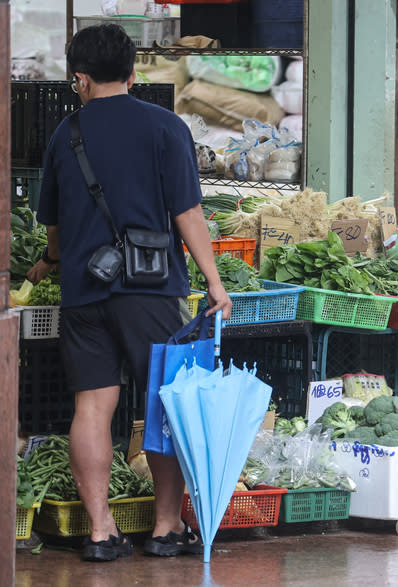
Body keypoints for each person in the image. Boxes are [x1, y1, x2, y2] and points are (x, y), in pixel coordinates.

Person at [26, 24, 232, 562]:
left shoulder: (64, 134)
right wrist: (213, 280)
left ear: (80, 79)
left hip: (83, 290)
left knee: (92, 407)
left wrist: (49, 262)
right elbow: (188, 212)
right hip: (153, 288)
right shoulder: (165, 127)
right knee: (165, 405)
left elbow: (52, 225)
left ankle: (100, 531)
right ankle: (165, 527)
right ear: (134, 73)